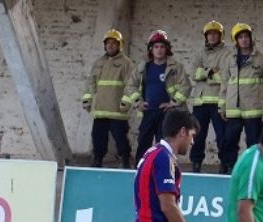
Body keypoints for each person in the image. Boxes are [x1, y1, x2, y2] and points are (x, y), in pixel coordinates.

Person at [122, 30, 191, 166]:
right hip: (148, 112)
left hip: (166, 113)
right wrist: (138, 102)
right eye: (156, 47)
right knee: (143, 142)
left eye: (162, 47)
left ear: (167, 49)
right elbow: (130, 86)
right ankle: (141, 167)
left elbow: (186, 86)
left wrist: (173, 103)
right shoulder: (143, 67)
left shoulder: (176, 67)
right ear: (151, 49)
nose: (159, 50)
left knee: (164, 144)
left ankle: (163, 168)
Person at [217, 23, 263, 174]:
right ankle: (229, 168)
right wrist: (222, 106)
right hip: (233, 109)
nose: (244, 40)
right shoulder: (229, 59)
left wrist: (256, 97)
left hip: (252, 110)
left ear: (251, 38)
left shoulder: (262, 60)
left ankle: (252, 170)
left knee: (253, 143)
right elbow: (225, 83)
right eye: (240, 37)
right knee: (230, 141)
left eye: (246, 36)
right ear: (236, 40)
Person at [81, 29, 135, 168]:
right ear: (104, 45)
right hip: (100, 110)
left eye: (114, 43)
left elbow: (131, 84)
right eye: (108, 43)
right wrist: (87, 100)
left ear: (119, 45)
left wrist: (126, 101)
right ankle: (97, 160)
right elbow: (91, 83)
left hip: (117, 110)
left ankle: (125, 161)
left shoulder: (126, 63)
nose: (110, 45)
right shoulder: (99, 62)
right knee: (98, 138)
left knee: (121, 139)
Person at [189, 20, 232, 173]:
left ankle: (224, 164)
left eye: (215, 34)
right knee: (197, 135)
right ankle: (196, 163)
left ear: (220, 36)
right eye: (210, 34)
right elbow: (193, 73)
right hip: (200, 102)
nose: (212, 36)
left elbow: (225, 76)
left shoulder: (227, 53)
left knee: (222, 136)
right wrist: (211, 72)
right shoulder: (199, 52)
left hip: (218, 100)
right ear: (206, 36)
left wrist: (204, 73)